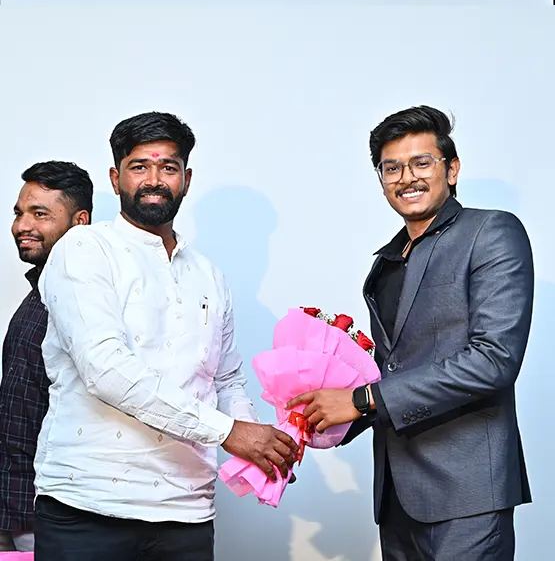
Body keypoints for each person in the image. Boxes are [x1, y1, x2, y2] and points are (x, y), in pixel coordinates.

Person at [33, 111, 299, 561]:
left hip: (186, 512)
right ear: (116, 178)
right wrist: (230, 432)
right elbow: (106, 370)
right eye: (139, 166)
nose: (154, 180)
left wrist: (262, 445)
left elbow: (226, 379)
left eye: (168, 167)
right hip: (89, 507)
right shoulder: (84, 249)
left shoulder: (209, 275)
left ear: (186, 180)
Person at [287, 105, 534, 560]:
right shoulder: (386, 262)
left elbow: (493, 360)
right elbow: (394, 370)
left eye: (422, 162)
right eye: (392, 168)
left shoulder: (491, 231)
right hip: (397, 495)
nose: (407, 178)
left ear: (451, 169)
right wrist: (317, 420)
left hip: (468, 494)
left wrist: (361, 399)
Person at [0, 161, 93, 552]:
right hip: (18, 507)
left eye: (40, 214)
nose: (22, 225)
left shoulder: (88, 301)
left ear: (79, 222)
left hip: (56, 513)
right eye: (19, 213)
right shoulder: (36, 295)